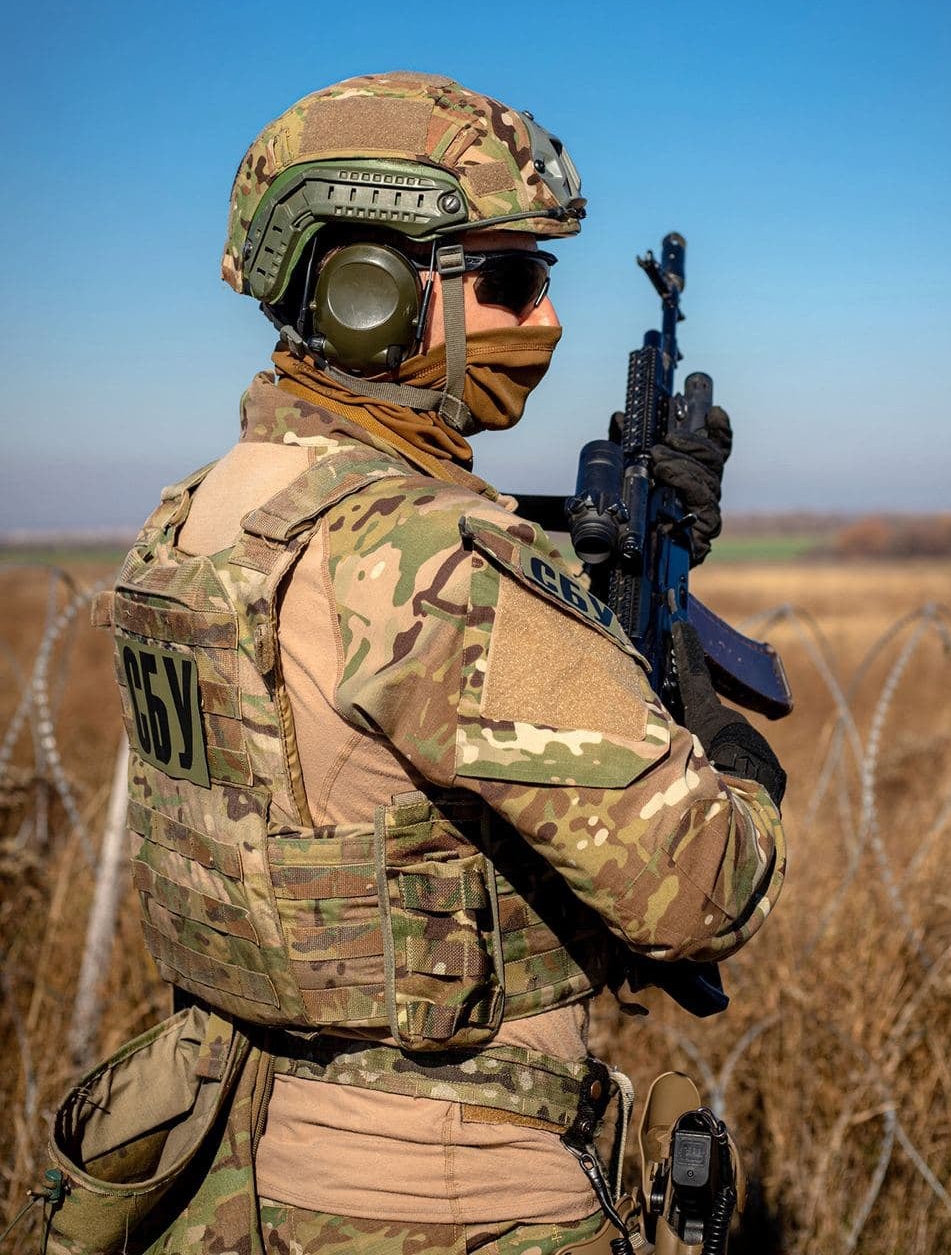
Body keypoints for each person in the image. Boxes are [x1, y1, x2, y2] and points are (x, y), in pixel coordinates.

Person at [104, 72, 786, 1254]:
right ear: (367, 292)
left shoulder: (202, 515)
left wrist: (606, 573)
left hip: (233, 1164)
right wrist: (737, 763)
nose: (545, 318)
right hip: (443, 1193)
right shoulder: (435, 559)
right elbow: (699, 887)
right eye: (511, 279)